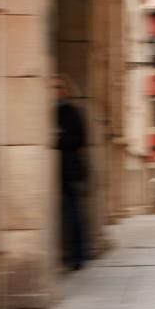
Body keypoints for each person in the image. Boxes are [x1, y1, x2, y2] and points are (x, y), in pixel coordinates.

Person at [55, 74, 88, 270]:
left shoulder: (71, 112)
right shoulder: (51, 111)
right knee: (67, 215)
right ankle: (68, 254)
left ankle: (78, 256)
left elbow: (79, 139)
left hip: (70, 172)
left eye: (58, 87)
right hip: (57, 173)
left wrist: (58, 138)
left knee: (74, 215)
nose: (55, 91)